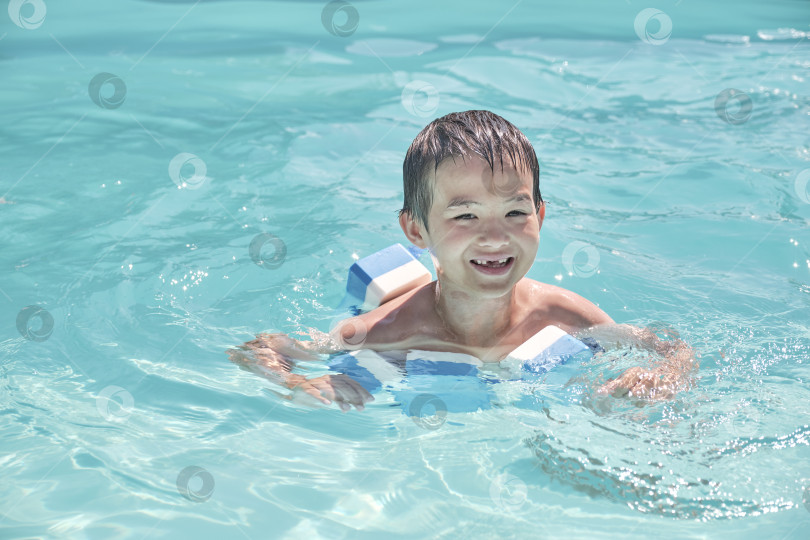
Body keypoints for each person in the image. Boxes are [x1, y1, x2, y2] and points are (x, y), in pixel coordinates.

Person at [229, 110, 696, 412]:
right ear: (416, 230)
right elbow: (261, 347)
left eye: (515, 212)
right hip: (406, 310)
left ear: (540, 215)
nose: (495, 237)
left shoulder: (563, 314)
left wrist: (659, 378)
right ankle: (398, 274)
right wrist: (296, 387)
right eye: (465, 215)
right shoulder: (385, 332)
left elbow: (670, 346)